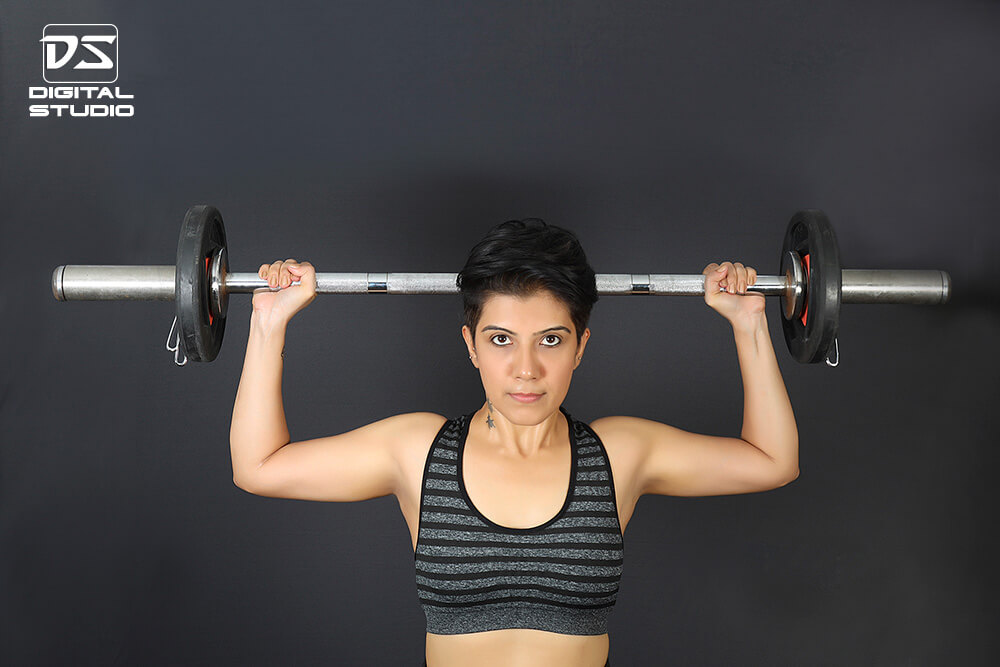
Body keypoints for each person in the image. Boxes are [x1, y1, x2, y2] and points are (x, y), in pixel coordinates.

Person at [230, 218, 799, 667]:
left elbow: (773, 462)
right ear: (471, 345)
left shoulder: (619, 455)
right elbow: (258, 467)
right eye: (501, 339)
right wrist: (268, 322)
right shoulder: (419, 452)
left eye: (550, 339)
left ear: (580, 347)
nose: (526, 369)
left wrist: (748, 322)